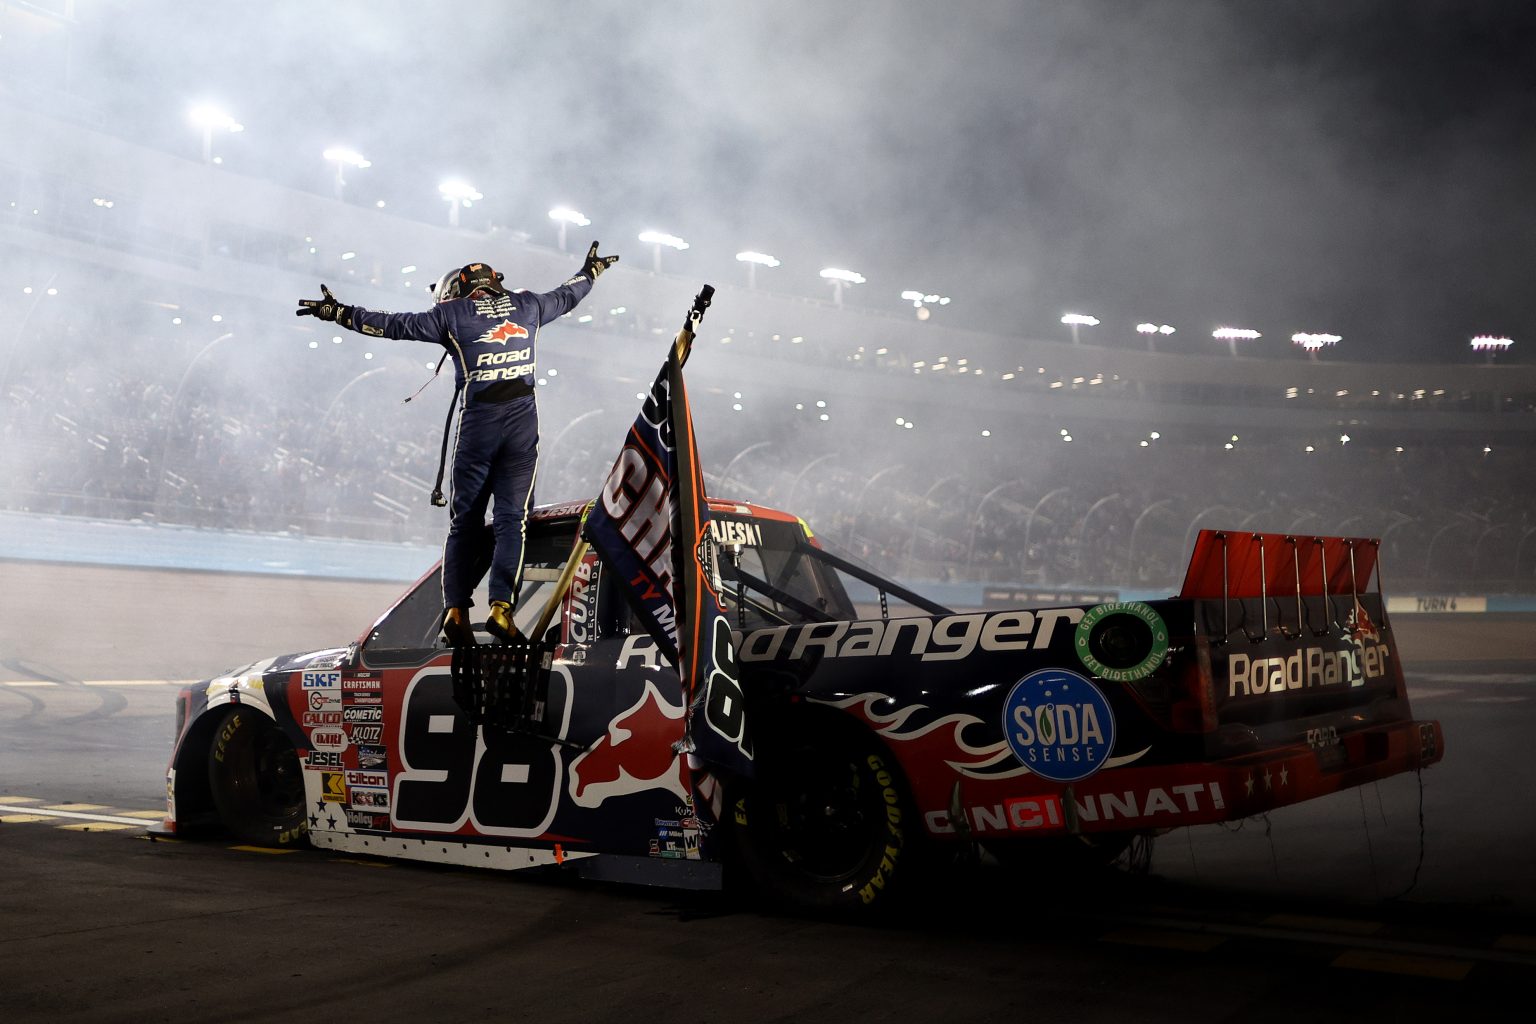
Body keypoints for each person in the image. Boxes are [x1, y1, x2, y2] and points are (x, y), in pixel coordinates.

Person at [296, 242, 619, 647]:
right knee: (511, 521)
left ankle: (455, 610)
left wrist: (339, 313)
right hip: (521, 430)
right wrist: (591, 271)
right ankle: (502, 609)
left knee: (463, 524)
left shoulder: (449, 315)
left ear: (458, 290)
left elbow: (391, 324)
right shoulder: (530, 305)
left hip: (477, 429)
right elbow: (570, 293)